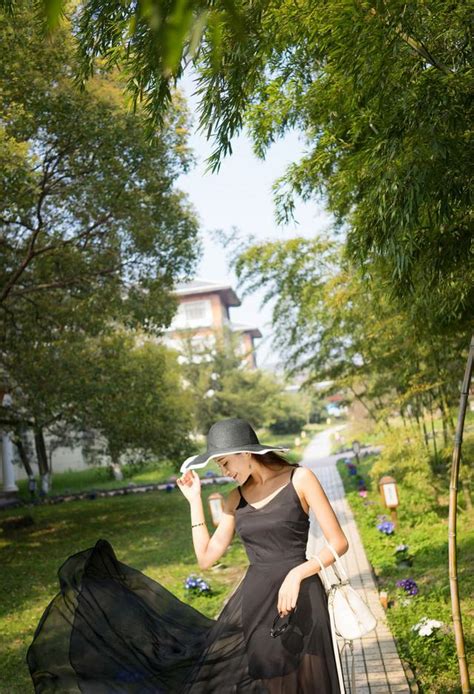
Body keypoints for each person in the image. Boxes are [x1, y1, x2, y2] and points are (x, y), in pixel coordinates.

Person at [26, 418, 348, 693]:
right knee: (271, 682)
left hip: (302, 598)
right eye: (219, 467)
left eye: (225, 463)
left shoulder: (300, 479)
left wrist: (298, 573)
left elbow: (338, 542)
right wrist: (194, 500)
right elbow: (207, 558)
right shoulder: (234, 498)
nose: (224, 472)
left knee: (311, 682)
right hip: (257, 605)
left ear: (244, 452)